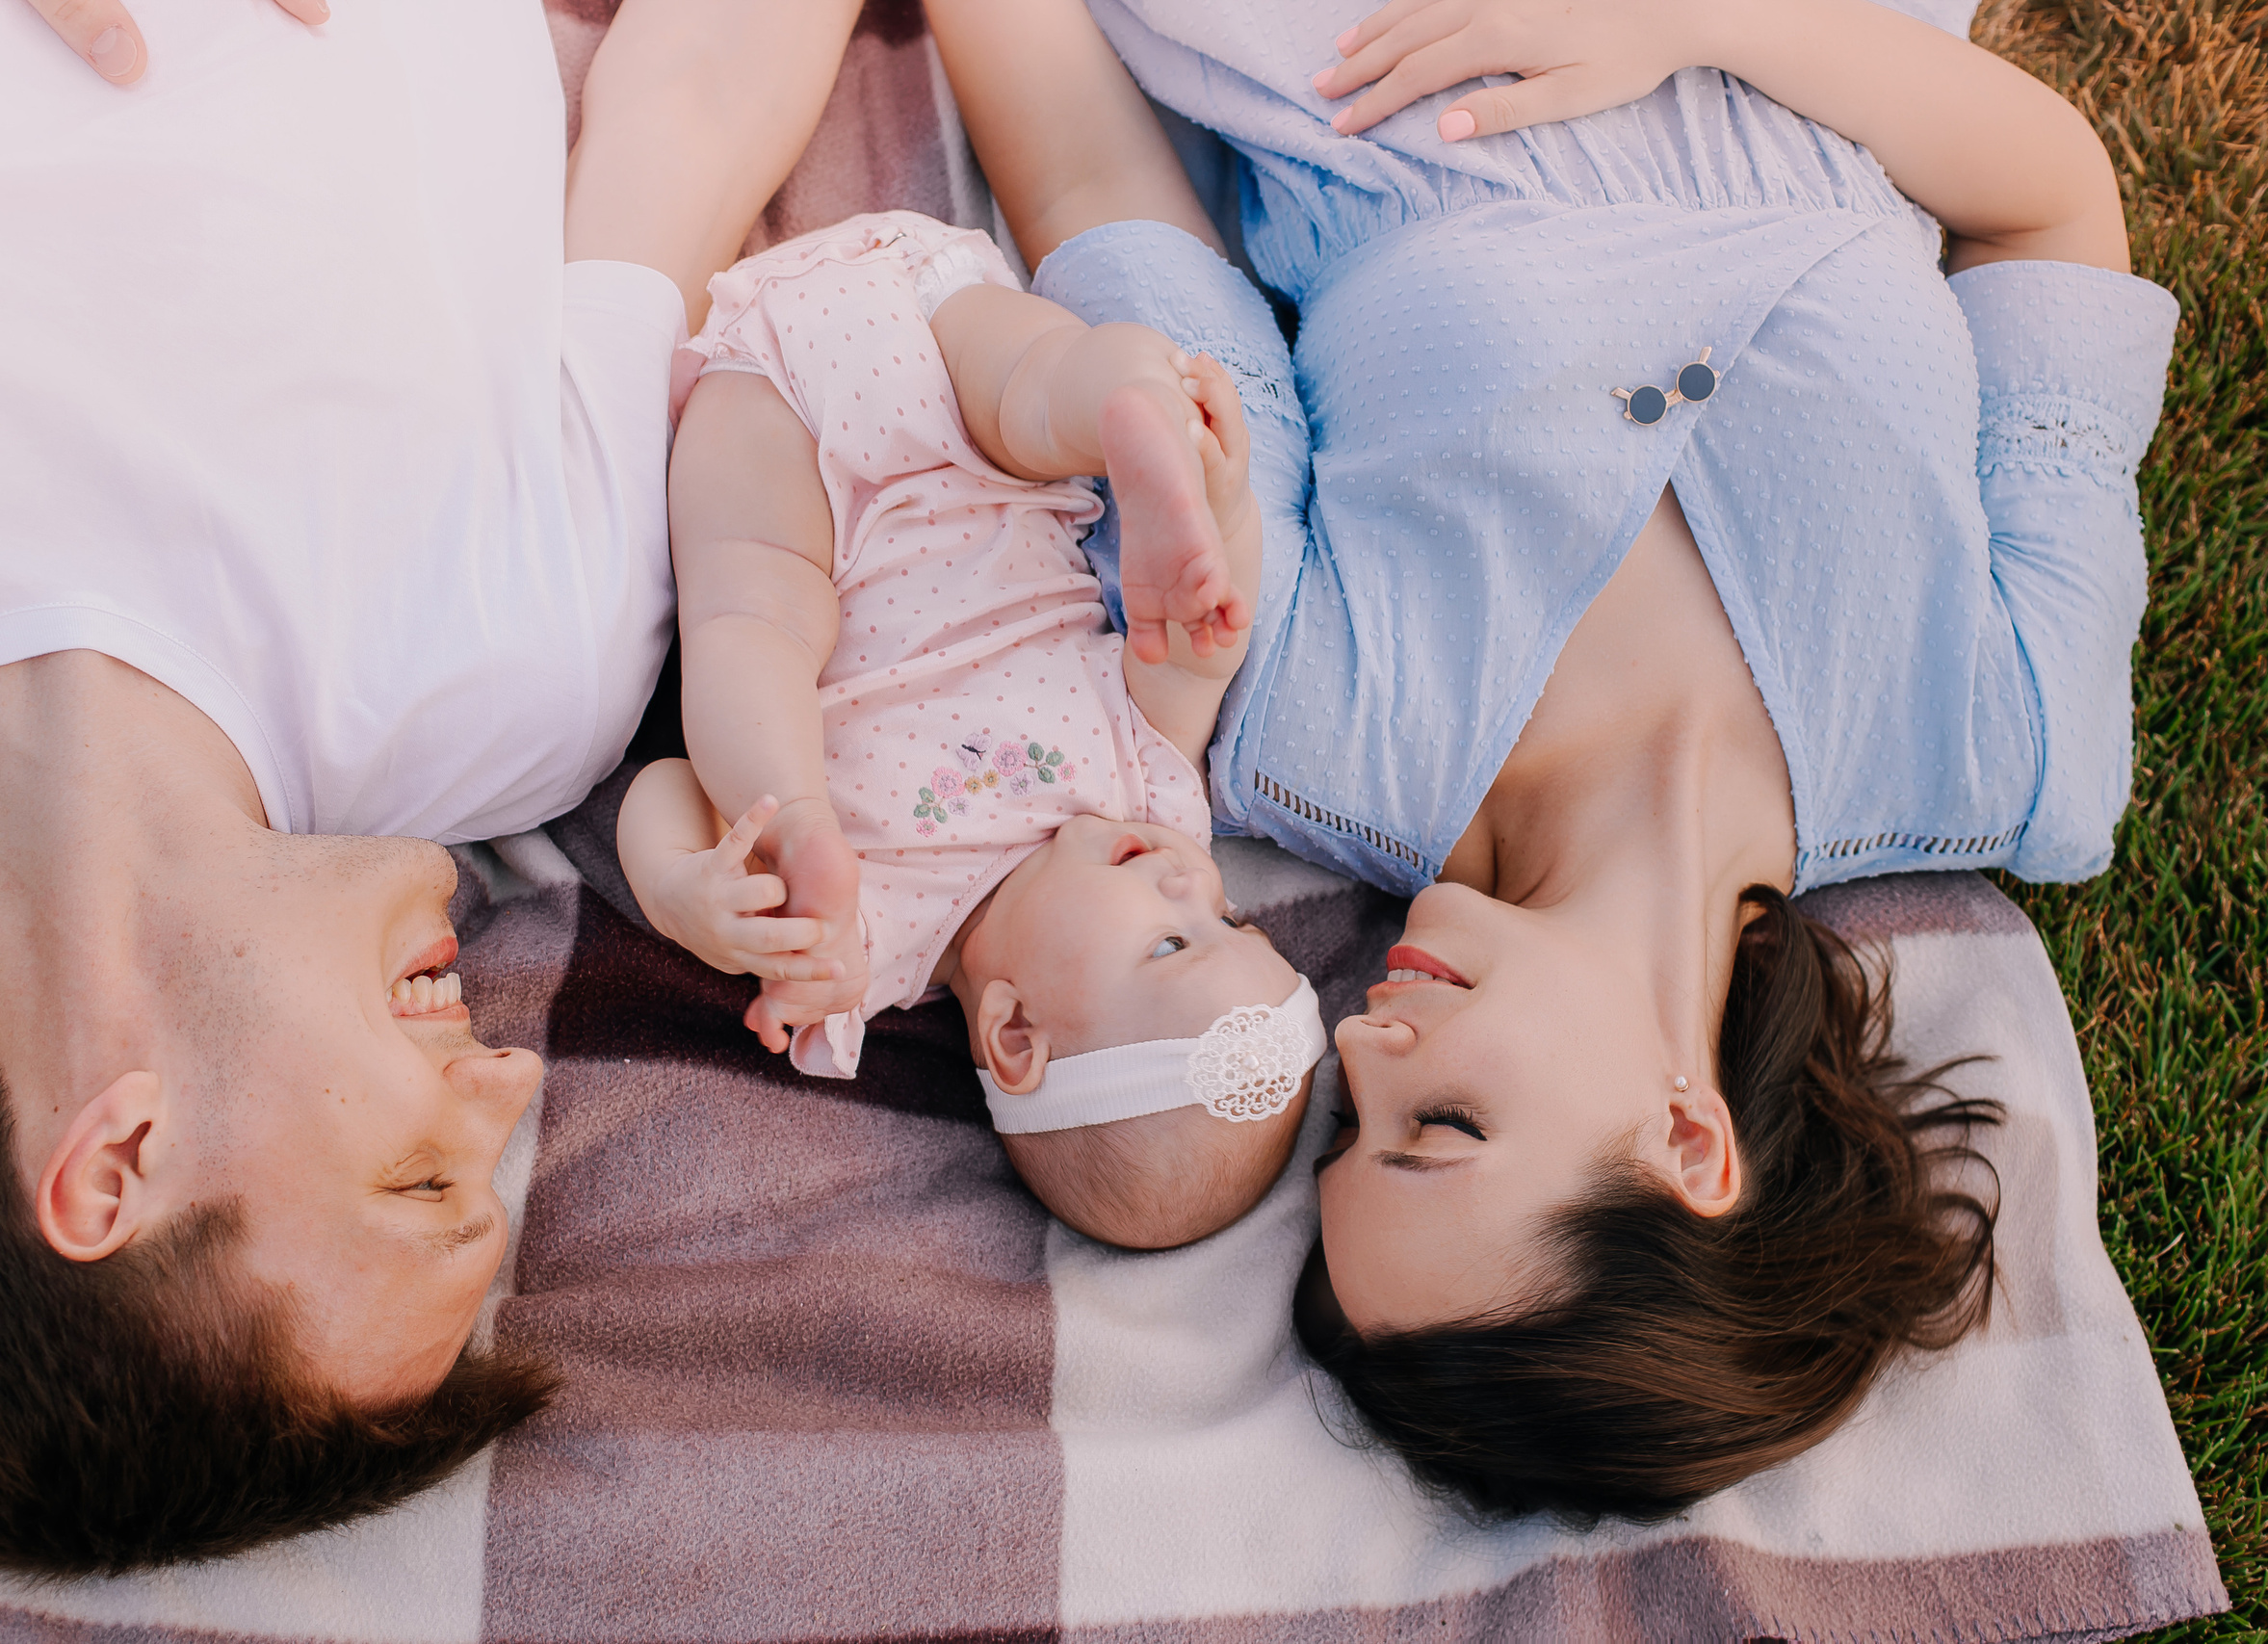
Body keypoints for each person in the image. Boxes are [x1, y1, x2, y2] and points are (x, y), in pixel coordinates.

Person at [924, 0, 2178, 1516]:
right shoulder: (2019, 745)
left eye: (1349, 1127)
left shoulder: (1299, 727)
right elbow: (2049, 201)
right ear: (1686, 1139)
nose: (1360, 1053)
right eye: (1441, 1130)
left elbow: (1093, 191)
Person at [0, 0, 858, 1576]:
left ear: (116, 1162)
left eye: (421, 1175)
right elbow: (706, 87)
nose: (514, 1085)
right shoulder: (516, 675)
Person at [614, 211, 1318, 1248]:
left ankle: (792, 809)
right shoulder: (1152, 802)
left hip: (784, 446)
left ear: (1017, 1033)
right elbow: (1195, 650)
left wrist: (686, 891)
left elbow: (669, 790)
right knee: (1055, 390)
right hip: (956, 378)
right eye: (1235, 922)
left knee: (756, 629)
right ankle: (1139, 427)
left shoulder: (864, 945)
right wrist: (1221, 525)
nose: (1193, 885)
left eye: (1175, 942)